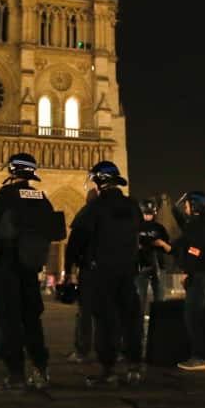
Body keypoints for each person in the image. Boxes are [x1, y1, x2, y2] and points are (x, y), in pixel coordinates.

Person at [0, 153, 62, 393]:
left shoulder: (2, 198)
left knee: (9, 320)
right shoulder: (42, 198)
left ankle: (15, 377)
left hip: (6, 266)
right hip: (31, 268)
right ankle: (41, 370)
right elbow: (56, 231)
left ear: (11, 172)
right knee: (32, 319)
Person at [66, 160, 144, 387]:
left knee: (105, 321)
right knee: (130, 319)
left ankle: (108, 370)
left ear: (99, 181)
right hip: (127, 272)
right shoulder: (132, 206)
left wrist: (71, 269)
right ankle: (134, 366)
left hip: (100, 273)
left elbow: (75, 242)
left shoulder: (95, 207)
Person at [154, 191, 205, 371]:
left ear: (195, 205)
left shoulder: (198, 225)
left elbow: (194, 250)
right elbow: (183, 246)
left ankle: (199, 357)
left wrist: (187, 271)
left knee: (192, 316)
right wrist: (165, 246)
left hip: (198, 274)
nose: (185, 208)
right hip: (203, 273)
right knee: (203, 316)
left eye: (187, 205)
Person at [63, 187, 99, 364]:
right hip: (116, 270)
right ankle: (112, 350)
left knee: (85, 312)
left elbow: (72, 247)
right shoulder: (118, 211)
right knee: (109, 312)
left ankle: (82, 351)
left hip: (90, 270)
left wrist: (69, 271)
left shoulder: (85, 214)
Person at [136, 198, 170, 315]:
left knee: (160, 300)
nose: (147, 217)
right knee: (139, 300)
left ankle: (159, 328)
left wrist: (160, 244)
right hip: (140, 266)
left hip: (159, 265)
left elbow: (168, 247)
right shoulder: (135, 227)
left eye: (150, 214)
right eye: (145, 214)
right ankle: (137, 329)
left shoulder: (160, 228)